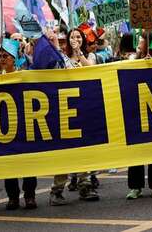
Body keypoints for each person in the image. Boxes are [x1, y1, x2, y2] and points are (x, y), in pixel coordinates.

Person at [50, 27, 99, 205]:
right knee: (66, 151)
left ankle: (84, 185)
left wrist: (79, 53)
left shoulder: (90, 57)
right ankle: (57, 190)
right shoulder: (63, 59)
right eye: (72, 37)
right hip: (67, 109)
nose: (75, 39)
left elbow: (91, 70)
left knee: (85, 149)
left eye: (79, 37)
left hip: (84, 108)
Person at [0, 38, 39, 210]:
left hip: (24, 125)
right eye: (0, 56)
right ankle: (13, 197)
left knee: (28, 163)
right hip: (4, 128)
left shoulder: (24, 76)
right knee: (9, 165)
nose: (2, 59)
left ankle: (29, 196)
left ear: (14, 58)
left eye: (5, 56)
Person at [126, 32, 152, 200]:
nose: (140, 42)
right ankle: (135, 187)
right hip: (136, 111)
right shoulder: (131, 60)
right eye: (141, 39)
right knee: (136, 151)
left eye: (143, 39)